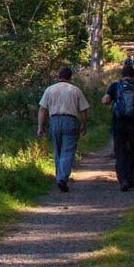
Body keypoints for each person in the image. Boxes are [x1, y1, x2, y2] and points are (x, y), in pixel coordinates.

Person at [37, 65, 91, 193]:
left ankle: (59, 178)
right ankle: (62, 178)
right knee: (68, 151)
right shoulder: (75, 90)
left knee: (58, 150)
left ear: (58, 76)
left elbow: (42, 109)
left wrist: (40, 126)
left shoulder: (50, 90)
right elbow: (84, 110)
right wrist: (84, 124)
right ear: (70, 77)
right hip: (70, 121)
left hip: (54, 121)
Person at [102, 61, 134, 191]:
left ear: (122, 74)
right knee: (133, 150)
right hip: (133, 122)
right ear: (133, 75)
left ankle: (122, 179)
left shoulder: (115, 85)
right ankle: (131, 179)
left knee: (120, 150)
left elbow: (105, 100)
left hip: (119, 121)